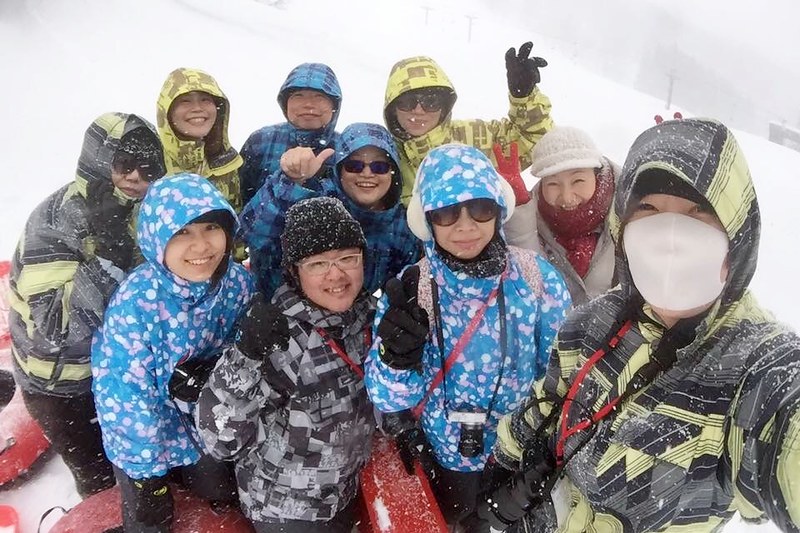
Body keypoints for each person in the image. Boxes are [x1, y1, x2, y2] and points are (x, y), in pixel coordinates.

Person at [480, 118, 800, 532]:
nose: (670, 237)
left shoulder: (750, 368)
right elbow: (552, 396)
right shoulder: (593, 320)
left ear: (736, 235)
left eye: (697, 211)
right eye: (648, 209)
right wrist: (506, 457)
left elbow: (783, 428)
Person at [364, 144, 571, 531]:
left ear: (499, 209)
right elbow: (387, 398)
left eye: (480, 208)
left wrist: (543, 450)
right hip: (442, 458)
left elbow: (562, 376)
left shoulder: (536, 280)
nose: (465, 226)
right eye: (446, 213)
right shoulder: (412, 288)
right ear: (426, 219)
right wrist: (395, 360)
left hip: (517, 459)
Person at [7, 112, 164, 498]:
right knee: (100, 479)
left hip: (119, 370)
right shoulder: (55, 222)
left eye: (148, 168)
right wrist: (108, 256)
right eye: (125, 164)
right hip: (64, 385)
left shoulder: (144, 209)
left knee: (142, 467)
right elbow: (56, 328)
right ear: (98, 160)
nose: (136, 177)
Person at [197, 197, 376, 533]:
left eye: (347, 258)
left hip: (343, 493)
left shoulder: (367, 319)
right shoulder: (280, 338)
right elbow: (221, 440)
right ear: (294, 273)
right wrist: (245, 357)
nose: (336, 274)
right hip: (287, 512)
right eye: (317, 264)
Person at [92, 173, 254, 531]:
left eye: (211, 227)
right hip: (146, 421)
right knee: (150, 516)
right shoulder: (137, 304)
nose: (201, 245)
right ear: (157, 237)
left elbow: (242, 346)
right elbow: (125, 396)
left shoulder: (237, 283)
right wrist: (146, 475)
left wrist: (213, 374)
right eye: (182, 232)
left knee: (222, 491)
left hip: (203, 412)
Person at [240, 121, 420, 296]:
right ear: (339, 170)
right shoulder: (313, 198)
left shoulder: (401, 226)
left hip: (353, 313)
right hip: (280, 308)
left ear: (393, 172)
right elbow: (252, 233)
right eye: (354, 166)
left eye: (379, 167)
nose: (367, 173)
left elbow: (404, 288)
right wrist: (291, 182)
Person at [383, 43, 553, 203]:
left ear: (444, 106)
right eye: (407, 102)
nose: (418, 111)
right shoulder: (382, 155)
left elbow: (538, 140)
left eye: (431, 102)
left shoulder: (475, 138)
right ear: (392, 107)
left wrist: (524, 98)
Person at [504, 126, 619, 305]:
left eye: (578, 180)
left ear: (597, 175)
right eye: (553, 184)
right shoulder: (532, 218)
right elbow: (534, 282)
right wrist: (519, 214)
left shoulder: (630, 211)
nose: (567, 197)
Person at [239, 62, 342, 206]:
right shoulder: (261, 140)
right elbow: (240, 197)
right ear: (285, 103)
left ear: (334, 105)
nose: (308, 104)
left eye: (319, 97)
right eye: (298, 96)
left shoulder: (346, 147)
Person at [157, 67, 244, 214]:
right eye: (185, 101)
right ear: (167, 111)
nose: (197, 108)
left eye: (205, 100)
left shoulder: (227, 162)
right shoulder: (151, 161)